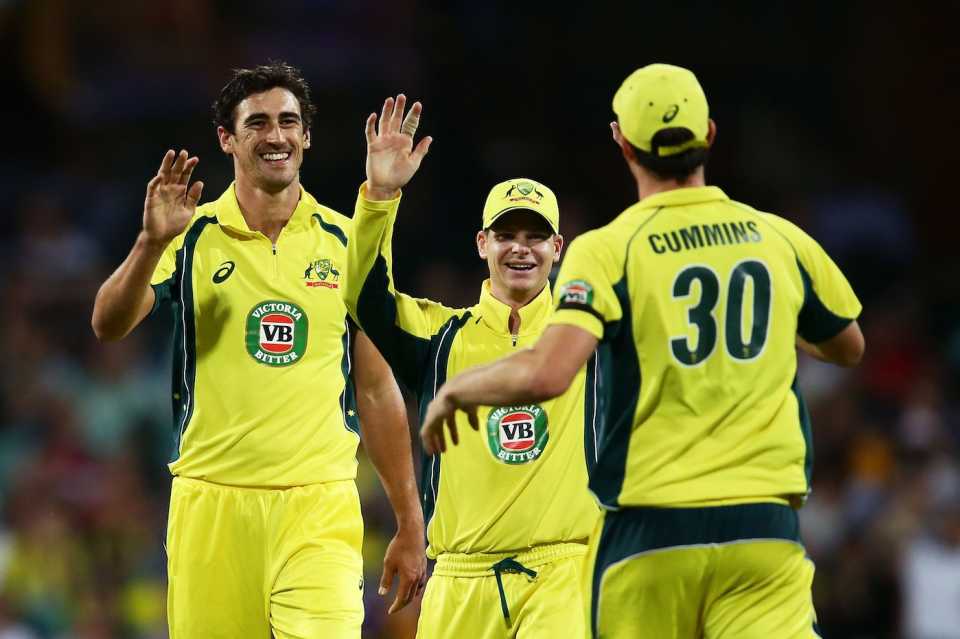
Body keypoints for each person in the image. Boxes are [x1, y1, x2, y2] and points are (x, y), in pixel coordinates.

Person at [421, 63, 865, 638]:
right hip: (763, 524)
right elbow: (849, 346)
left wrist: (458, 389)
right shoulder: (778, 238)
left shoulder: (611, 251)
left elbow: (550, 372)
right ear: (708, 133)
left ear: (621, 142)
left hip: (652, 528)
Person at [91, 62, 426, 639]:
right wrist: (149, 243)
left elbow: (375, 387)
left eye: (290, 122)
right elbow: (109, 323)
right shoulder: (189, 235)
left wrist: (410, 519)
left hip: (319, 505)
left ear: (308, 136)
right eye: (259, 123)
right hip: (211, 504)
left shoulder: (348, 240)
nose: (277, 136)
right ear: (228, 138)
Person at [342, 94, 602, 638]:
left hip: (564, 574)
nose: (521, 250)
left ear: (559, 246)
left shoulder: (590, 333)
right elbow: (366, 301)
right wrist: (381, 196)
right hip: (459, 580)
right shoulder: (440, 338)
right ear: (482, 244)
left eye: (535, 237)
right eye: (506, 235)